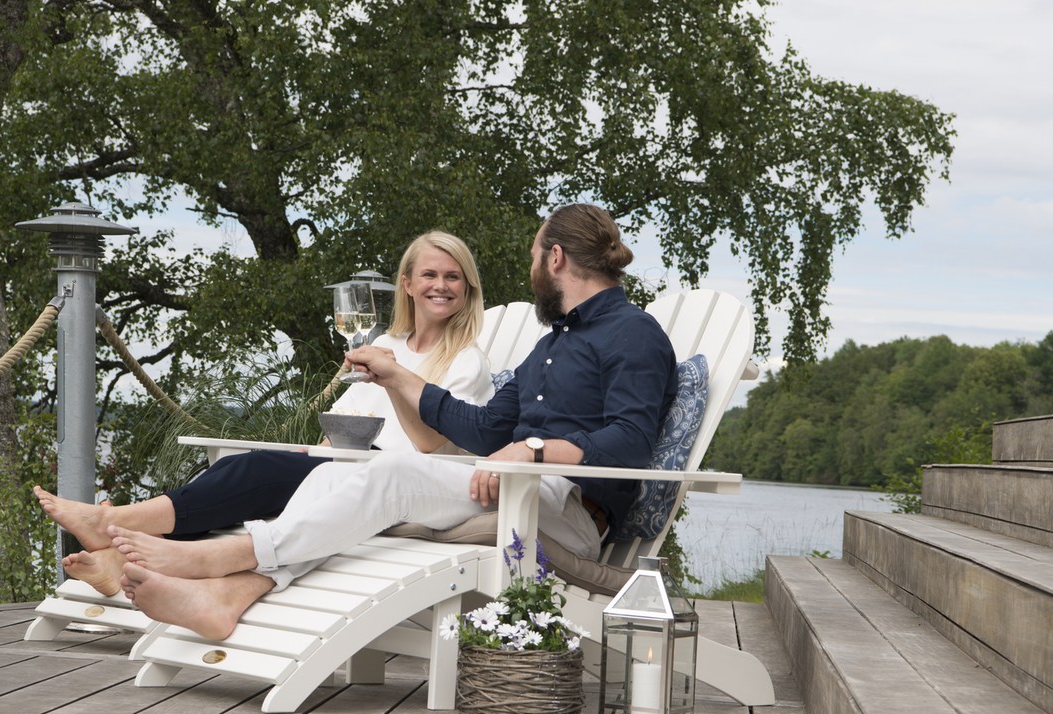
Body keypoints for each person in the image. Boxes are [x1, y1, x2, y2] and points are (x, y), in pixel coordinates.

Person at [107, 203, 679, 641]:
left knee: (395, 473)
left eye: (534, 259)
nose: (532, 271)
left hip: (570, 509)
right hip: (512, 490)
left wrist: (530, 452)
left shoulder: (635, 334)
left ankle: (213, 560)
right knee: (331, 475)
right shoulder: (551, 345)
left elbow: (628, 443)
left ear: (555, 258)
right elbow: (480, 430)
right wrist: (399, 375)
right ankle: (230, 596)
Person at [34, 230, 494, 596]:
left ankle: (114, 522)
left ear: (467, 287)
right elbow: (342, 422)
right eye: (430, 274)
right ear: (408, 284)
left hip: (397, 482)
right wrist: (318, 451)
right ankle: (118, 560)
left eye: (453, 276)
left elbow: (428, 443)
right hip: (348, 465)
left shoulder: (466, 360)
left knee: (253, 471)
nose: (441, 285)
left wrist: (393, 380)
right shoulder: (385, 346)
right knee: (241, 476)